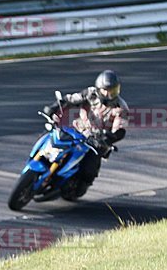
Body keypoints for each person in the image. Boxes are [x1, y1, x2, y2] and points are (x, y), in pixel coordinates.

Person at [43, 70, 129, 198]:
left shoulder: (120, 107)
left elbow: (120, 130)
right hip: (78, 131)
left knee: (89, 168)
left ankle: (80, 184)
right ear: (99, 89)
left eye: (113, 90)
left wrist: (110, 137)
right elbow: (70, 99)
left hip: (98, 142)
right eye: (106, 90)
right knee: (52, 141)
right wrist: (54, 107)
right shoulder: (91, 93)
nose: (110, 94)